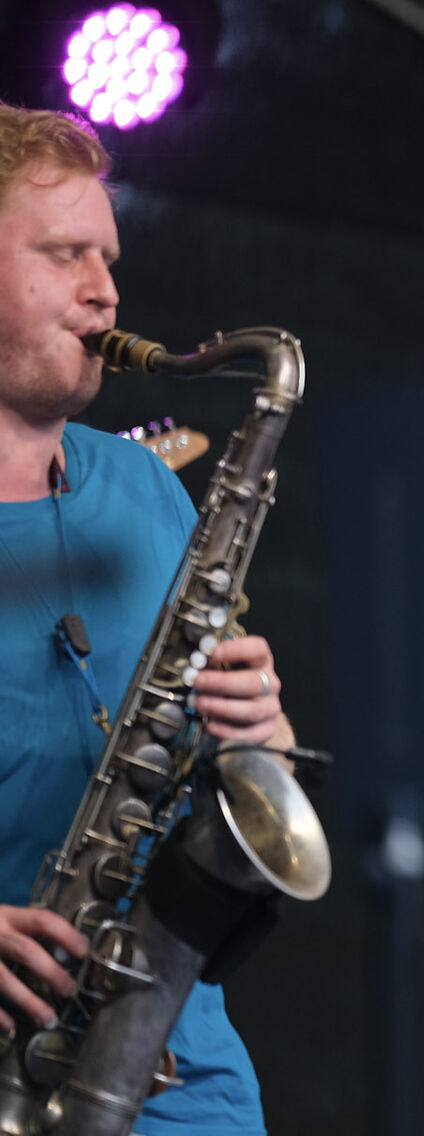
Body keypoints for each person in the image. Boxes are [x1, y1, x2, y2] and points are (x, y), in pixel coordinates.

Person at [0, 101, 294, 1136]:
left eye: (109, 256)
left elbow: (242, 768)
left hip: (183, 1078)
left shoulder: (148, 488)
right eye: (64, 252)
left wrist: (263, 737)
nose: (106, 290)